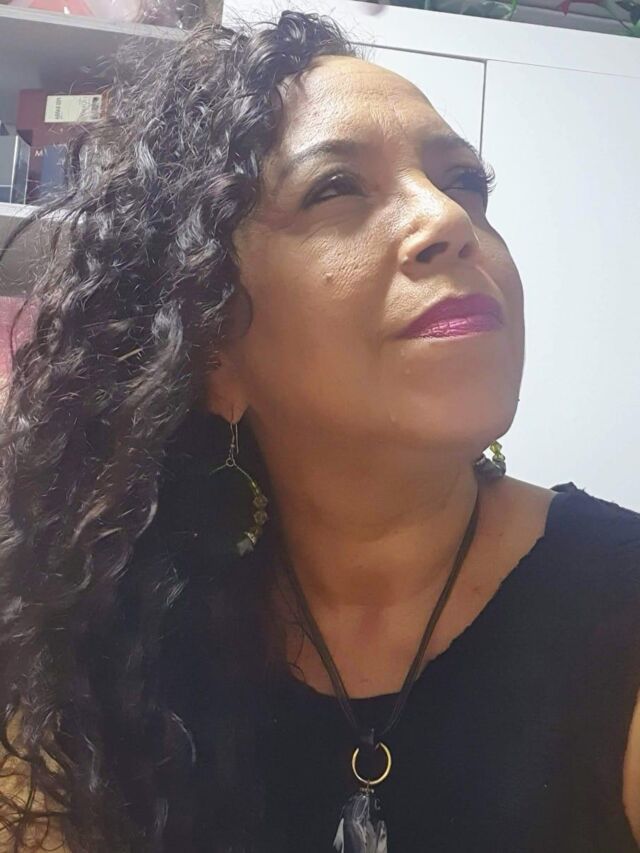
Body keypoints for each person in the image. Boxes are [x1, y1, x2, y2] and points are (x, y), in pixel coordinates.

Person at [0, 9, 638, 852]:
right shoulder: (126, 637)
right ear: (209, 340)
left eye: (464, 182)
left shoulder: (619, 603)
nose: (449, 219)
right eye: (337, 188)